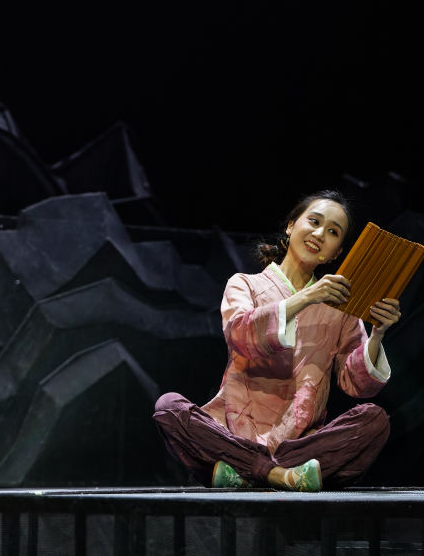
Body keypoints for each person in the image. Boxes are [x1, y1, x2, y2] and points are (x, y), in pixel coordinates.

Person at [152, 190, 400, 491]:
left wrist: (378, 333)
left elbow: (357, 384)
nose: (320, 234)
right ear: (291, 226)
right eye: (314, 221)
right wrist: (306, 298)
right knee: (168, 408)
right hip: (233, 436)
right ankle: (280, 476)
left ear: (336, 253)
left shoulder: (339, 310)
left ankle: (248, 473)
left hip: (298, 447)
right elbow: (240, 334)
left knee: (375, 420)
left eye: (333, 232)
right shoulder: (245, 284)